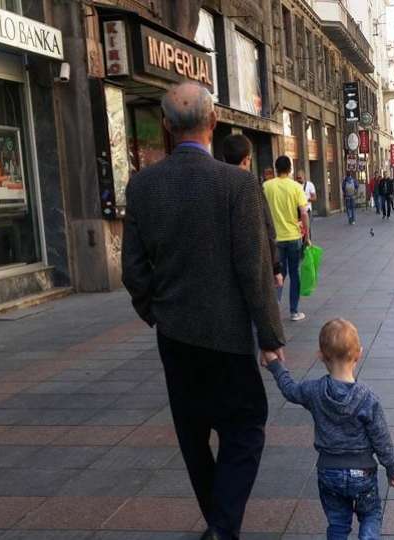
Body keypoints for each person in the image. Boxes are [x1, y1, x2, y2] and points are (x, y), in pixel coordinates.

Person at [122, 83, 285, 540]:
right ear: (213, 123)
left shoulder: (143, 185)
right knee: (247, 427)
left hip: (175, 337)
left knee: (193, 437)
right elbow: (253, 269)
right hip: (229, 337)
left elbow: (133, 270)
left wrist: (155, 312)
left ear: (167, 128)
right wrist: (270, 336)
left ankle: (220, 526)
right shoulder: (237, 183)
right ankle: (222, 526)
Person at [263, 318, 394, 540]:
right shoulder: (367, 397)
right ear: (359, 354)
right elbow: (381, 438)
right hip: (362, 472)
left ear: (320, 356)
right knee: (371, 515)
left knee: (338, 523)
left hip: (329, 471)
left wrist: (275, 365)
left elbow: (290, 390)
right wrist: (391, 469)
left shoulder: (313, 391)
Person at [222, 134, 283, 290]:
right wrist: (275, 267)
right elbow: (267, 227)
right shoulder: (249, 183)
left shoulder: (215, 182)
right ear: (246, 159)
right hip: (251, 265)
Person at [264, 155, 310, 322]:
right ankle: (294, 311)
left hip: (274, 239)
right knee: (294, 273)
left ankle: (274, 308)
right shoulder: (296, 187)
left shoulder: (266, 186)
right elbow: (304, 213)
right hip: (293, 237)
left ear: (276, 169)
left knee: (278, 273)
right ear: (290, 169)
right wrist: (306, 233)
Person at [296, 171, 317, 239]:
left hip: (307, 210)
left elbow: (314, 198)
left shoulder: (310, 185)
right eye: (297, 178)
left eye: (300, 178)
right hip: (297, 210)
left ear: (304, 177)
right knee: (299, 229)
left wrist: (306, 199)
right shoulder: (295, 185)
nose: (298, 179)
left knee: (307, 228)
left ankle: (308, 242)